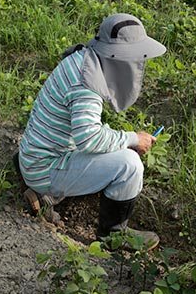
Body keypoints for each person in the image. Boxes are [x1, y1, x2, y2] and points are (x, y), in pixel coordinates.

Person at [14, 13, 165, 249]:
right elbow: (89, 138)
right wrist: (133, 139)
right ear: (119, 55)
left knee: (115, 149)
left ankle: (45, 196)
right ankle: (113, 236)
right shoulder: (86, 84)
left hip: (36, 156)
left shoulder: (83, 59)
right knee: (129, 164)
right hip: (45, 167)